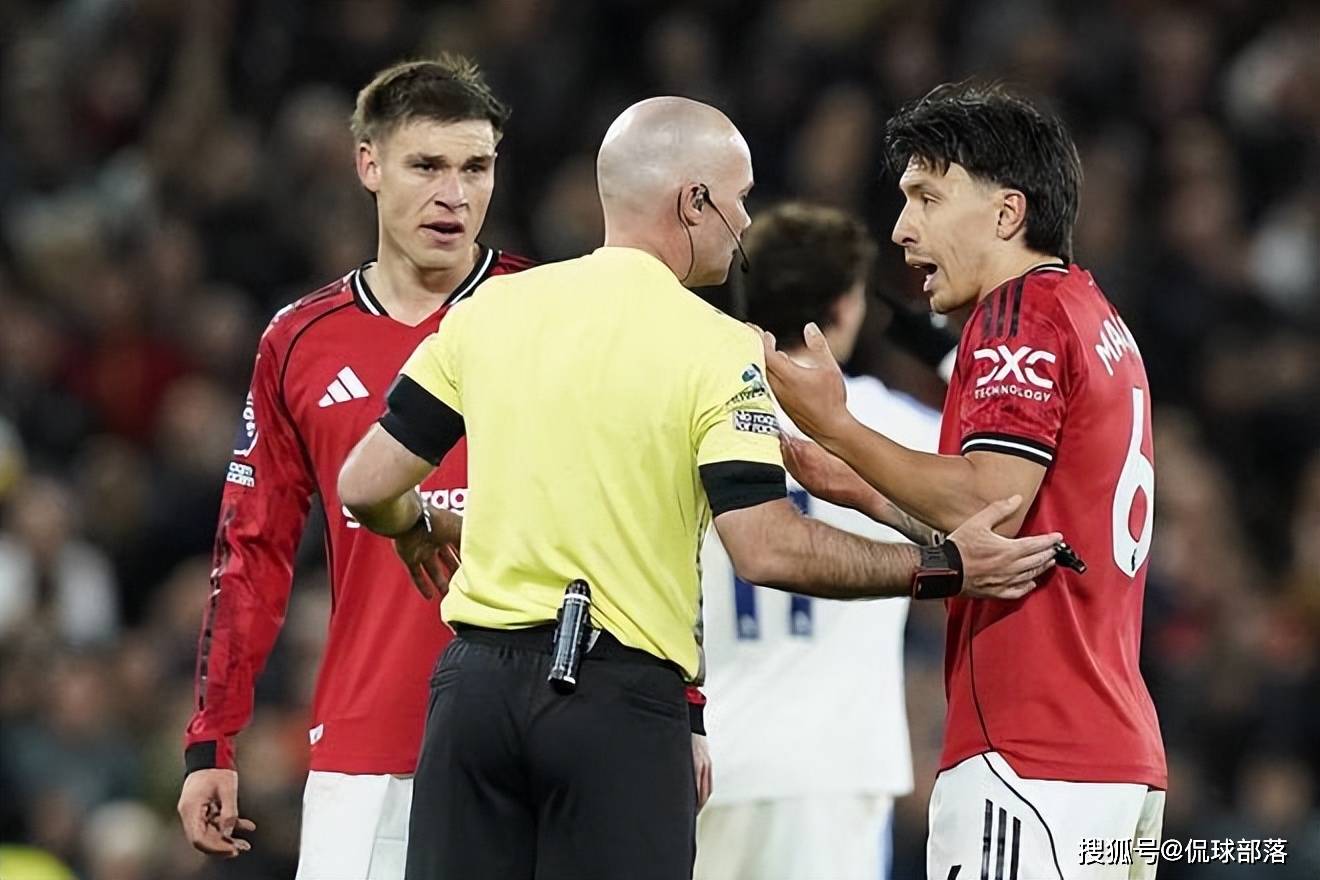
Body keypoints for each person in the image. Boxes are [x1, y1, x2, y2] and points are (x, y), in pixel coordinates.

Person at [337, 95, 1063, 880]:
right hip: (618, 704)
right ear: (694, 202)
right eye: (739, 198)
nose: (746, 220)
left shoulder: (491, 311)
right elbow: (766, 547)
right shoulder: (717, 347)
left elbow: (366, 484)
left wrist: (413, 525)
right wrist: (946, 569)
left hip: (474, 695)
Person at [762, 82, 1166, 880]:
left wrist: (838, 426)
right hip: (1111, 760)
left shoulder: (1018, 315)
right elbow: (1013, 530)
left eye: (927, 197)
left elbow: (989, 502)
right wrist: (868, 492)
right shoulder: (1094, 315)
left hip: (1029, 759)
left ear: (1008, 213)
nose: (902, 228)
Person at [175, 55, 536, 880]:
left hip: (534, 735)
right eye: (427, 166)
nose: (455, 195)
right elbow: (252, 549)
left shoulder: (548, 312)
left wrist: (684, 709)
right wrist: (212, 739)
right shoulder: (299, 341)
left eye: (475, 168)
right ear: (369, 165)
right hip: (369, 742)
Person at [695, 202, 941, 880]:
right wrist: (953, 357)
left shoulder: (695, 413)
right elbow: (1001, 498)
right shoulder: (895, 429)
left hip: (708, 758)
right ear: (843, 307)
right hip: (832, 767)